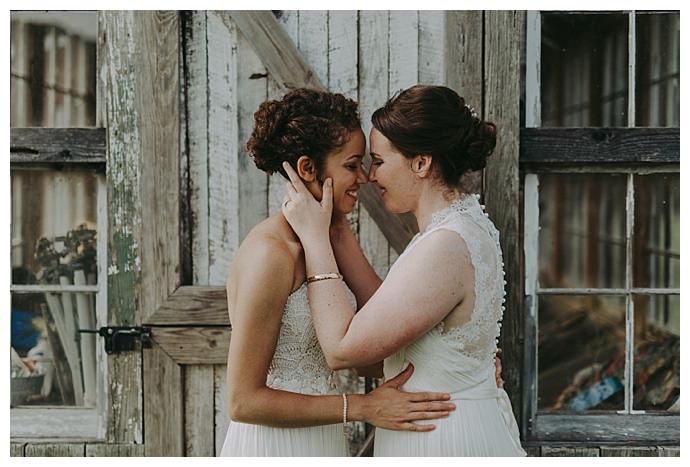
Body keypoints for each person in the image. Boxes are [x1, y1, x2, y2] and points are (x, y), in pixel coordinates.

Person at [281, 84, 527, 456]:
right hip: (444, 425)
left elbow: (344, 350)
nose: (368, 177)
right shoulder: (456, 229)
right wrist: (336, 227)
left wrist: (315, 241)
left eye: (379, 161)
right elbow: (384, 312)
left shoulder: (446, 245)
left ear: (421, 163)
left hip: (442, 440)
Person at [219, 88, 457, 457]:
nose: (363, 178)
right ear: (307, 169)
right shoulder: (271, 254)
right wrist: (363, 407)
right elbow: (242, 401)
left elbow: (379, 342)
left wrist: (460, 357)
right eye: (351, 165)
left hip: (322, 442)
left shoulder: (328, 243)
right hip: (273, 449)